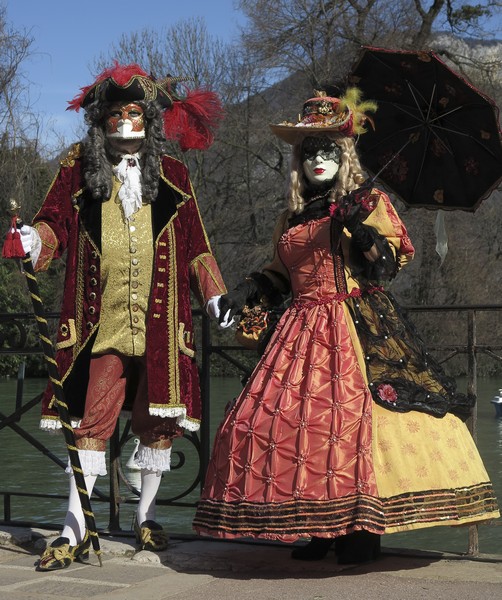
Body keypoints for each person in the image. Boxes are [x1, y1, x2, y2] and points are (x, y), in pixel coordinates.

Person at [193, 88, 500, 563]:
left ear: (344, 153)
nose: (318, 158)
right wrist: (243, 293)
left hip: (356, 325)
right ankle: (319, 527)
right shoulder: (292, 216)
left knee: (361, 423)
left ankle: (361, 530)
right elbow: (279, 274)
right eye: (309, 150)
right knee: (293, 425)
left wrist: (361, 230)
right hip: (298, 330)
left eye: (328, 149)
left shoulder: (368, 202)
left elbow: (388, 264)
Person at [17, 63, 231, 571]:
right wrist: (32, 241)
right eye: (115, 113)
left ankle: (147, 517)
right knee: (91, 421)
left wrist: (216, 295)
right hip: (99, 320)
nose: (125, 122)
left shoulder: (174, 174)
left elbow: (198, 247)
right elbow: (54, 223)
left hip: (161, 322)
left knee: (157, 423)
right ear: (102, 119)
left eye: (134, 113)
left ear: (149, 119)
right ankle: (73, 527)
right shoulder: (77, 166)